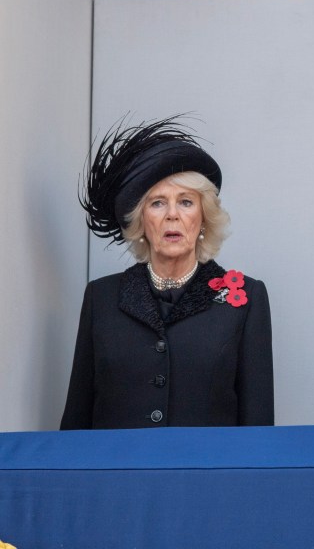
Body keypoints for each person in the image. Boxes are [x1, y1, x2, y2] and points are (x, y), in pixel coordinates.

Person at [61, 117, 274, 429]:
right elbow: (76, 421)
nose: (172, 215)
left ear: (203, 219)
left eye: (186, 202)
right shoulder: (101, 298)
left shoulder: (245, 299)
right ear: (141, 221)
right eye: (157, 203)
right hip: (118, 476)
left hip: (207, 476)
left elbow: (258, 427)